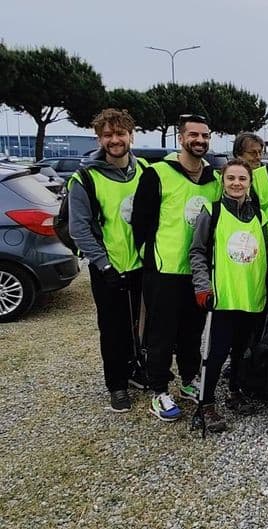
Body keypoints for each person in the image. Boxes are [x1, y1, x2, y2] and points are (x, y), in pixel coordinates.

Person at [132, 114, 221, 422]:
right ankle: (158, 390)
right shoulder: (158, 174)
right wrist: (151, 258)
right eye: (193, 135)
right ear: (181, 138)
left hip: (197, 273)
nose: (200, 140)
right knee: (161, 334)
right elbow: (140, 223)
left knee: (191, 332)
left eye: (205, 136)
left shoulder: (214, 180)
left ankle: (187, 380)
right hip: (164, 270)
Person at [68, 108, 148, 412]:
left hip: (140, 265)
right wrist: (103, 264)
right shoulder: (85, 178)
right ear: (99, 138)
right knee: (113, 329)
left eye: (120, 133)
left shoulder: (143, 172)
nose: (115, 140)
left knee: (139, 327)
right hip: (108, 268)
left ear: (130, 135)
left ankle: (135, 369)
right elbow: (79, 229)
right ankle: (116, 385)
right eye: (108, 135)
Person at [188, 159, 266, 433]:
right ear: (223, 181)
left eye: (242, 179)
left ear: (250, 183)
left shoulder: (259, 215)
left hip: (252, 297)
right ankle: (207, 403)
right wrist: (202, 286)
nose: (236, 183)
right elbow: (197, 251)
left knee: (241, 350)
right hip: (223, 298)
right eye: (231, 178)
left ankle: (235, 391)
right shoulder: (213, 211)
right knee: (216, 352)